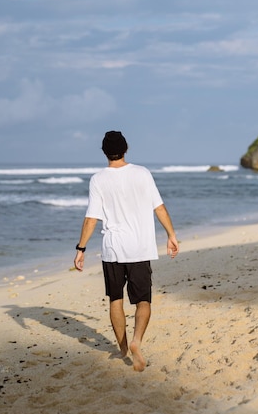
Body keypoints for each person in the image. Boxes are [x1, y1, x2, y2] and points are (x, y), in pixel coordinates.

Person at [74, 130, 179, 371]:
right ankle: (136, 341)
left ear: (104, 152)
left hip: (113, 249)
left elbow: (91, 218)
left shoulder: (98, 179)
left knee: (116, 299)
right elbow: (159, 207)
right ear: (126, 148)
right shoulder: (142, 173)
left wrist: (81, 248)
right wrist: (171, 235)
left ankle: (122, 349)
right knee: (143, 300)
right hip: (140, 248)